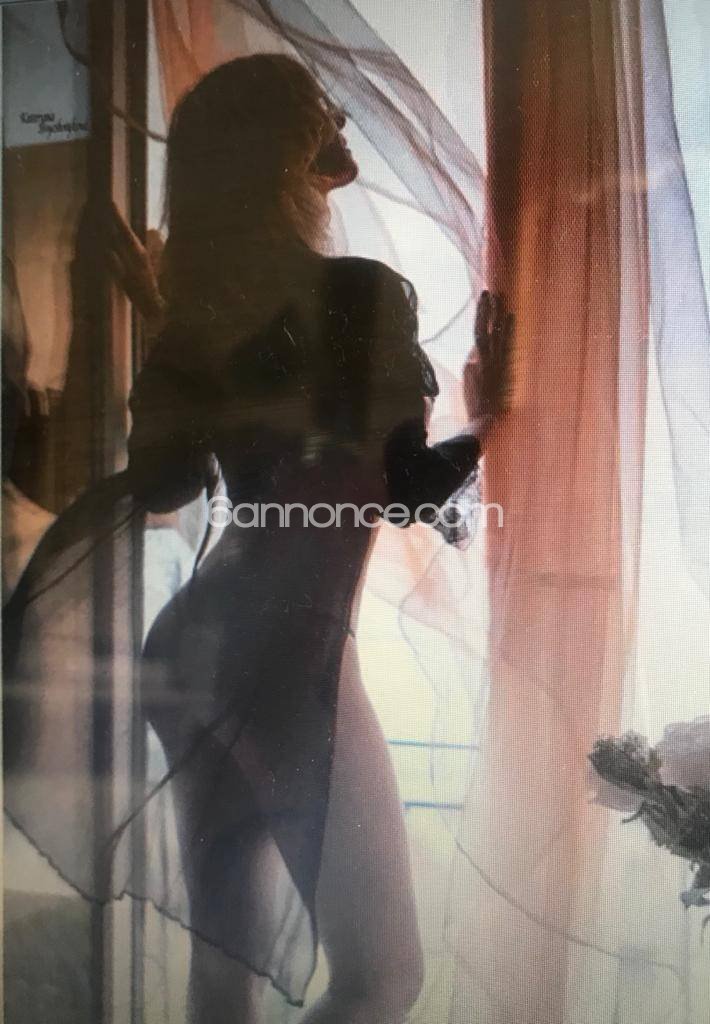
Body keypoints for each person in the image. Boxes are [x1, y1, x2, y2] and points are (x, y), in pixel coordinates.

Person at [5, 53, 512, 1024]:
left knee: (224, 980)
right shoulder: (359, 294)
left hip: (194, 648)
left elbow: (169, 479)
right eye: (325, 118)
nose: (346, 132)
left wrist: (167, 327)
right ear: (288, 155)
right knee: (382, 977)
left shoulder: (201, 320)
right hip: (289, 659)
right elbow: (403, 494)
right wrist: (495, 416)